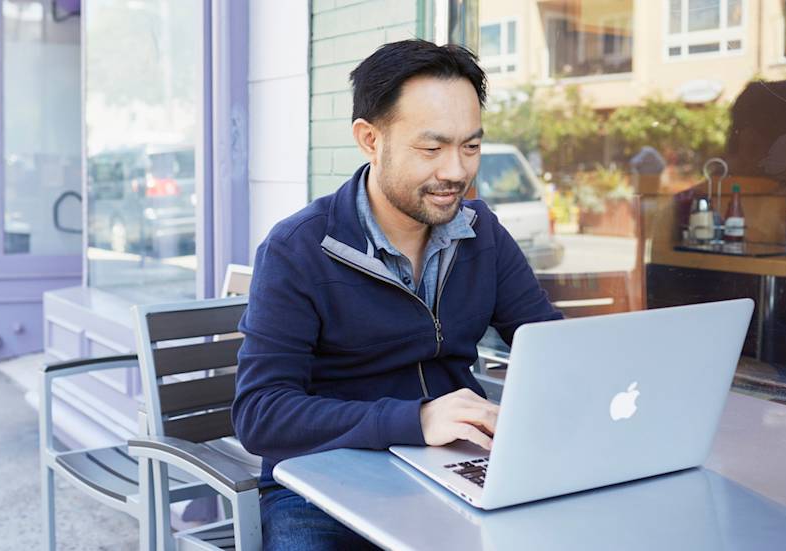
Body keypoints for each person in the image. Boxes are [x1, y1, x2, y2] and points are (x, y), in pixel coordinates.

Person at [232, 40, 562, 549]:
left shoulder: (482, 232)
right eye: (432, 149)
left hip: (457, 465)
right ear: (370, 139)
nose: (456, 171)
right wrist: (415, 418)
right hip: (322, 483)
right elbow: (262, 414)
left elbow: (548, 345)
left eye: (470, 147)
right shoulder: (297, 249)